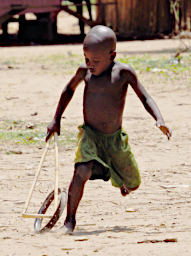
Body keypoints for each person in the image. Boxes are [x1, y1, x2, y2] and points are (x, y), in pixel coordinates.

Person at [46, 25, 172, 234]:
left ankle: (106, 171)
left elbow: (145, 97)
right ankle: (69, 221)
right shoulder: (83, 71)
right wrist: (56, 119)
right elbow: (68, 90)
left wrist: (159, 119)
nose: (90, 65)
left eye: (95, 61)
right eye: (86, 59)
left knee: (133, 183)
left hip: (114, 140)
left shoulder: (123, 73)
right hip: (91, 135)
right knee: (81, 171)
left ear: (112, 55)